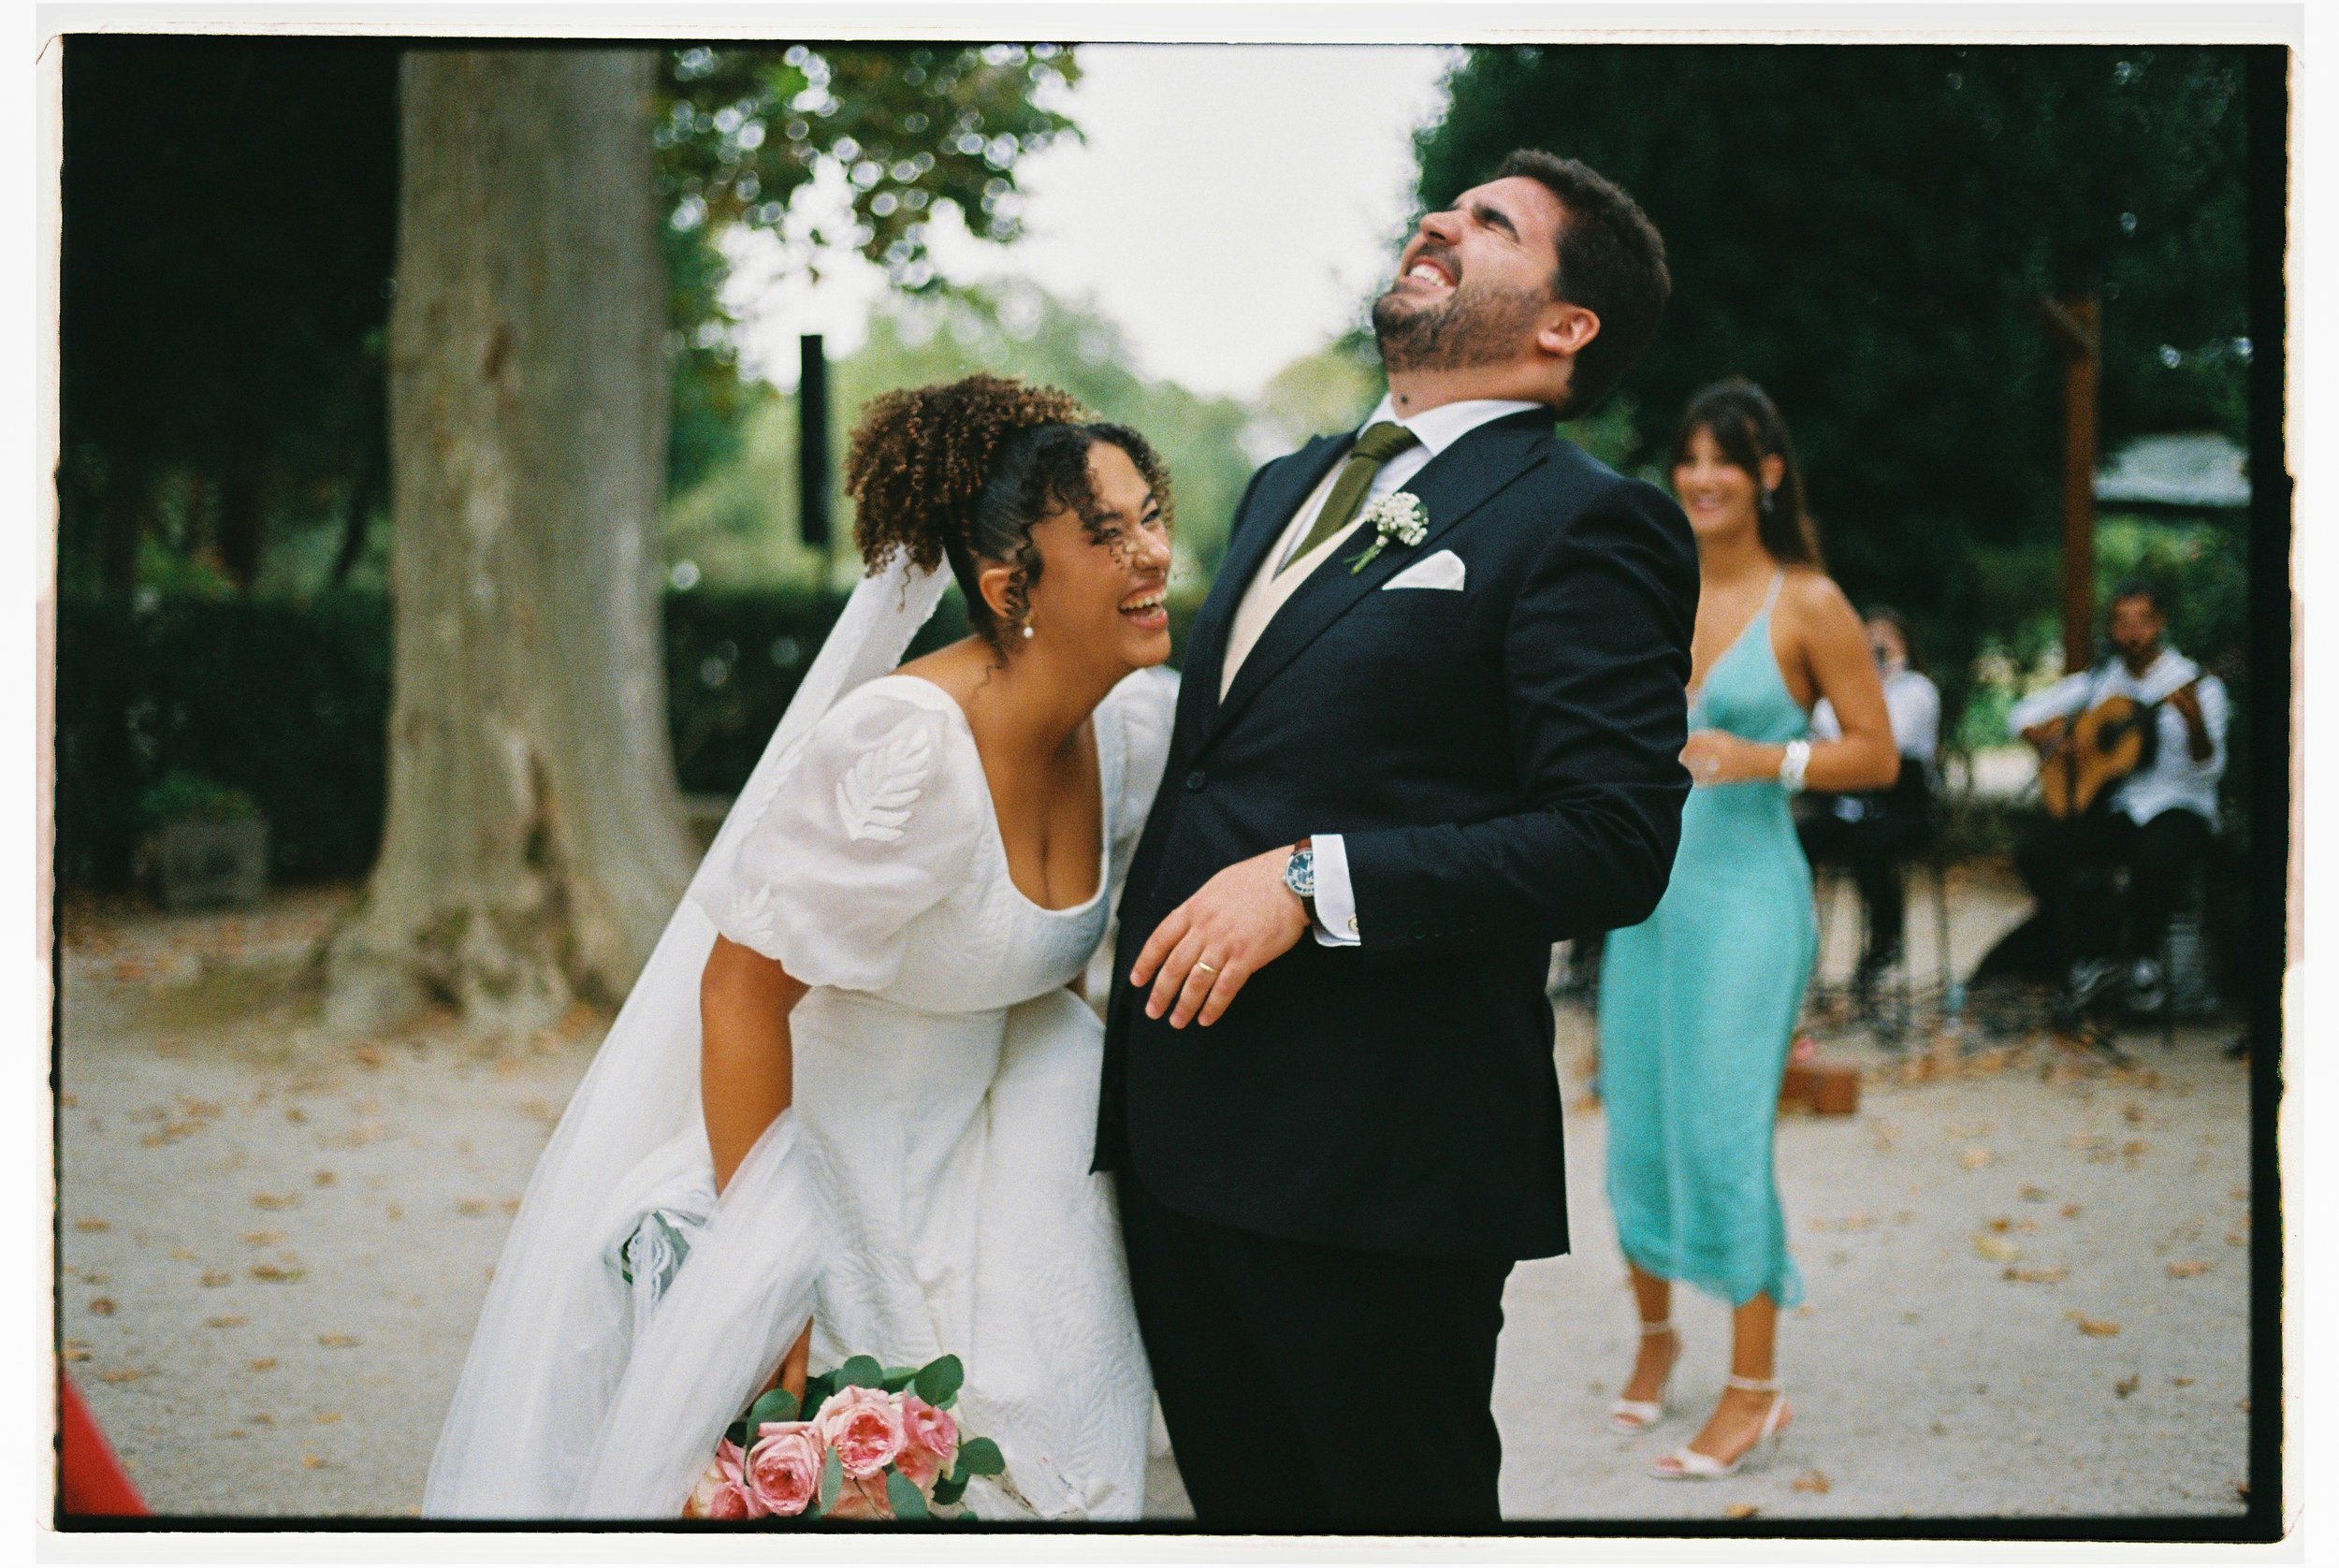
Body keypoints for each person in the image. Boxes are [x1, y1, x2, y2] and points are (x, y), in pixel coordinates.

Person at [424, 375, 1181, 1520]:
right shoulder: (906, 746)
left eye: (1152, 517)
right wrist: (761, 1277)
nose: (1153, 554)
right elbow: (736, 991)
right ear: (1008, 584)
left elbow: (1039, 962)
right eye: (1108, 532)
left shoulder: (1126, 727)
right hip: (839, 1160)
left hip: (1006, 1157)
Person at [1097, 150, 1697, 1528]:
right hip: (1179, 1137)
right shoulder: (1283, 483)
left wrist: (1317, 884)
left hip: (1375, 1160)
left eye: (1493, 224)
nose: (1443, 220)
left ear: (1567, 328)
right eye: (1451, 204)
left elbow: (1613, 841)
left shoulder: (1588, 523)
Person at [1596, 378, 1897, 1480]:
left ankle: (1754, 1388)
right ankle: (1654, 1338)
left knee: (1723, 1133)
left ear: (1768, 473)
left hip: (1746, 900)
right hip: (1646, 899)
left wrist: (1763, 756)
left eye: (1725, 457)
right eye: (1687, 456)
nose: (1702, 475)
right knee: (1638, 1127)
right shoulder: (1648, 585)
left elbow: (1877, 752)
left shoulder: (1807, 599)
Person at [2004, 581, 2228, 1015]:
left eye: (2142, 621)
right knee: (2042, 849)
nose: (2133, 633)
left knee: (2156, 856)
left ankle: (2143, 963)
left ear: (2160, 623)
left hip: (2182, 803)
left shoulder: (2195, 683)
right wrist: (2051, 737)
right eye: (2122, 623)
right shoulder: (2103, 681)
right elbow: (2022, 714)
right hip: (2124, 806)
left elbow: (2210, 768)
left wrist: (2195, 723)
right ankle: (2097, 952)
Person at [1798, 608, 1943, 991]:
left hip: (1904, 810)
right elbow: (1820, 726)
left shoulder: (1917, 690)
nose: (1876, 646)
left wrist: (1872, 687)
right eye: (1869, 638)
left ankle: (1885, 940)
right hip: (1850, 808)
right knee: (1800, 839)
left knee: (1870, 846)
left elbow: (1885, 741)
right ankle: (1799, 941)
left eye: (1886, 639)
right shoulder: (1846, 690)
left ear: (1904, 645)